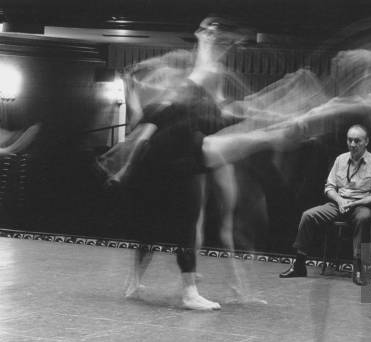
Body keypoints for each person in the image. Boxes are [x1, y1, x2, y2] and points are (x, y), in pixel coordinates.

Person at [100, 16, 306, 311]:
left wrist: (273, 118)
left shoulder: (197, 98)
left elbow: (221, 112)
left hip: (188, 155)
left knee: (179, 222)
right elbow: (144, 131)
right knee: (170, 224)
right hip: (174, 159)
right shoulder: (171, 100)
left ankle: (173, 287)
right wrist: (124, 167)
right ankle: (177, 289)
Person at [280, 124, 371, 285]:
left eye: (357, 141)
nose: (353, 144)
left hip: (360, 206)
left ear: (366, 142)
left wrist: (354, 203)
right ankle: (299, 264)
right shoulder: (340, 160)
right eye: (350, 140)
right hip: (338, 204)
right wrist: (340, 200)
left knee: (364, 218)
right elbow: (329, 187)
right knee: (308, 216)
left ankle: (358, 269)